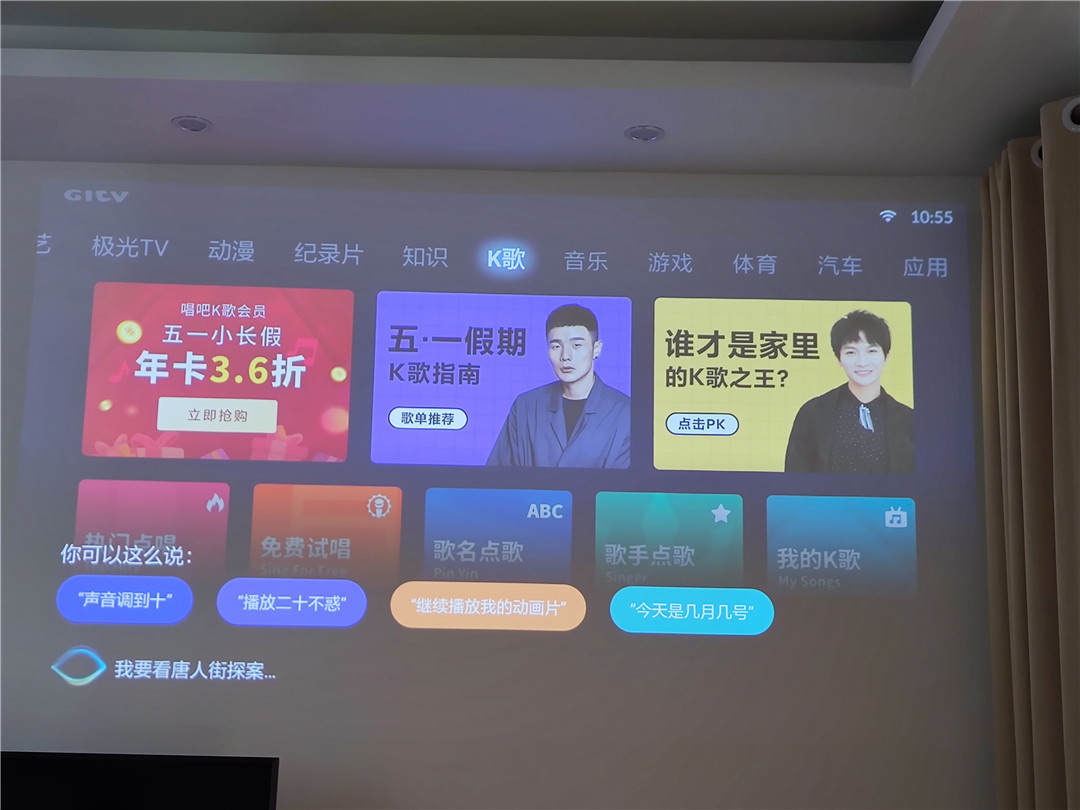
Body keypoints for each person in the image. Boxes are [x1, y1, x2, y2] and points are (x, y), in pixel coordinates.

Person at [487, 304, 630, 468]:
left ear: (596, 349)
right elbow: (496, 476)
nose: (565, 356)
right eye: (556, 346)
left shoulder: (625, 412)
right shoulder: (525, 406)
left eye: (577, 345)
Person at [784, 310, 913, 473]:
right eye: (851, 352)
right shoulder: (812, 413)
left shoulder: (908, 420)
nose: (862, 362)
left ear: (886, 356)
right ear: (839, 358)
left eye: (871, 351)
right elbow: (794, 478)